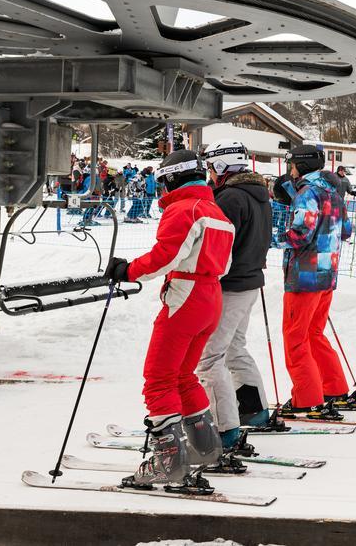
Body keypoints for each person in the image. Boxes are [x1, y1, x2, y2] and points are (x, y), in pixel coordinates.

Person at [103, 150, 235, 488]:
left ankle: (169, 463)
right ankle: (206, 449)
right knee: (183, 375)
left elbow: (167, 256)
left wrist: (128, 270)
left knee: (159, 378)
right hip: (211, 296)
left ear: (173, 177)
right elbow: (225, 263)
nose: (162, 189)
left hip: (186, 297)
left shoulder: (184, 208)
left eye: (164, 181)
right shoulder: (215, 210)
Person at [195, 140, 274, 454]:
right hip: (249, 282)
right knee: (233, 349)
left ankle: (224, 429)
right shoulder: (258, 193)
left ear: (223, 167)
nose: (210, 175)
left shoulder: (229, 198)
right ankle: (255, 410)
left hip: (231, 285)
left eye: (212, 167)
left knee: (209, 357)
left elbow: (220, 244)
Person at [276, 145, 354, 420]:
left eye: (292, 165)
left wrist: (275, 238)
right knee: (313, 333)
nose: (291, 170)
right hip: (326, 274)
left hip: (304, 276)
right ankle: (333, 388)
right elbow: (345, 231)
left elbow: (300, 232)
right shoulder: (333, 192)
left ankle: (307, 398)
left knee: (295, 337)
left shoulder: (307, 193)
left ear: (301, 165)